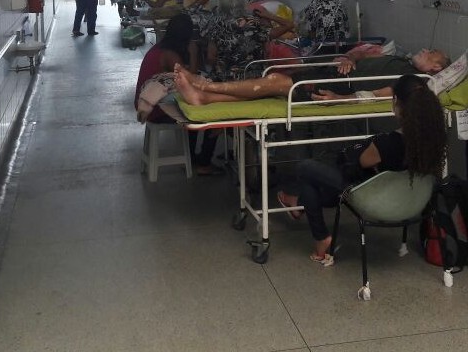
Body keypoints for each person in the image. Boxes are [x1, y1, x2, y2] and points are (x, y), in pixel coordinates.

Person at [276, 75, 447, 261]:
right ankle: (316, 234)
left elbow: (362, 162)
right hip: (411, 203)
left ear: (396, 101)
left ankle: (311, 222)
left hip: (373, 199)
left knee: (306, 168)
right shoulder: (435, 140)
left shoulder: (387, 143)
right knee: (313, 187)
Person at [172, 47, 449, 105]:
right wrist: (349, 58)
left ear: (435, 69)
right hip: (334, 73)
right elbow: (360, 53)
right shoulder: (399, 58)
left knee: (275, 82)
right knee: (273, 86)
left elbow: (379, 95)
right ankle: (204, 97)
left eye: (431, 53)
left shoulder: (415, 81)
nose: (425, 50)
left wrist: (340, 99)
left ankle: (207, 85)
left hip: (336, 88)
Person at [134, 14, 222, 176]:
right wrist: (193, 52)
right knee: (210, 114)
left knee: (192, 106)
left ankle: (191, 157)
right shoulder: (169, 54)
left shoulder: (160, 48)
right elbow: (190, 79)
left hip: (147, 104)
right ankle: (204, 162)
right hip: (157, 110)